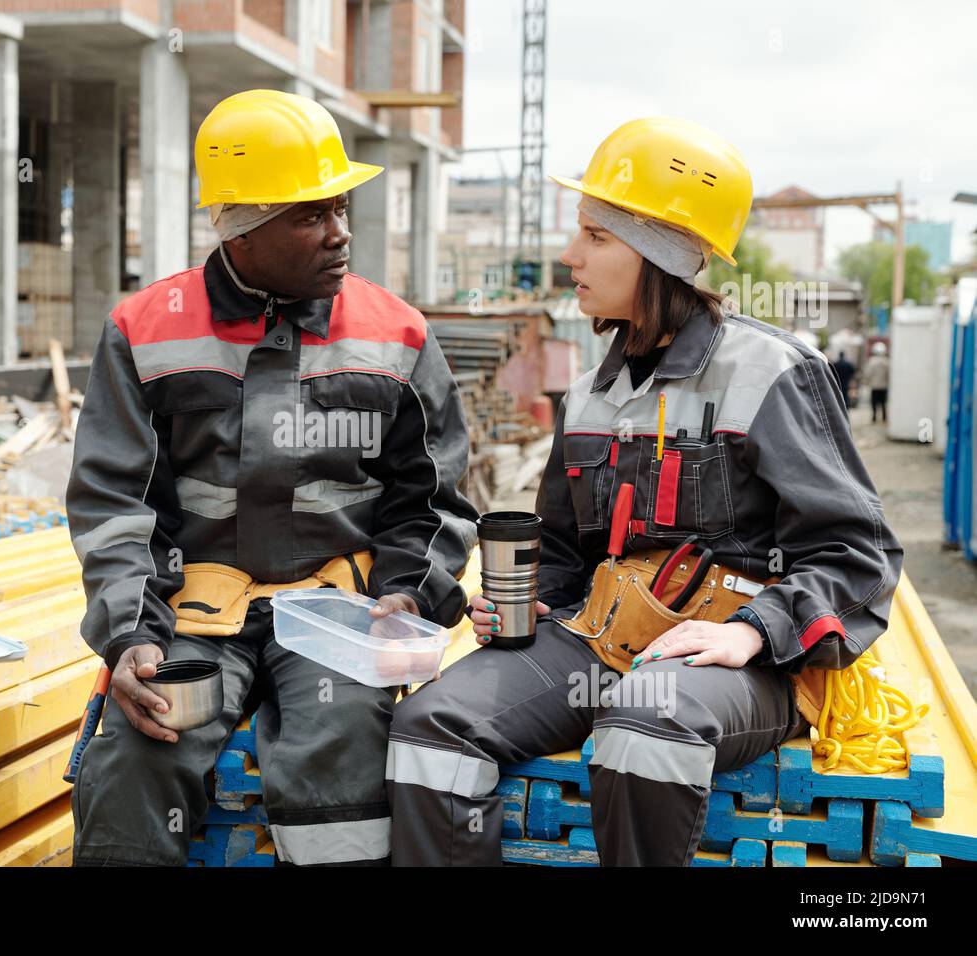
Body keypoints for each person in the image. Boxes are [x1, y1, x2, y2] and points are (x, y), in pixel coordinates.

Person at [386, 116, 903, 866]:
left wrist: (752, 630)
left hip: (739, 663)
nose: (570, 256)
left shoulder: (770, 373)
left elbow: (858, 552)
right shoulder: (592, 395)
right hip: (603, 640)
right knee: (431, 726)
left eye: (595, 236)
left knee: (641, 720)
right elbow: (564, 551)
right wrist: (534, 601)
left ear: (659, 251)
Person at [65, 89, 478, 866]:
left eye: (341, 207)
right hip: (193, 619)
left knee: (342, 760)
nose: (340, 233)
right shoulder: (145, 331)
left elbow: (433, 499)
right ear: (241, 231)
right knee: (133, 757)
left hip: (337, 620)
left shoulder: (398, 335)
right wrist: (130, 637)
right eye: (310, 215)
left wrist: (406, 594)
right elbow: (114, 504)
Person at [864, 341, 890, 423]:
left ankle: (874, 417)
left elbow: (868, 373)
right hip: (884, 386)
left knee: (874, 403)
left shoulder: (872, 361)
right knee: (883, 403)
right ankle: (884, 417)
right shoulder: (887, 362)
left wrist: (867, 381)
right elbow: (889, 375)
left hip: (874, 386)